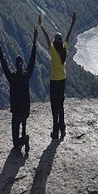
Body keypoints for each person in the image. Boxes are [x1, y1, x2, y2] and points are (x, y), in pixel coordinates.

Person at [0, 26, 37, 152]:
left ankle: (24, 139)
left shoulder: (12, 77)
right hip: (25, 111)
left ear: (15, 64)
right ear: (22, 64)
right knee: (23, 123)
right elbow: (32, 62)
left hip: (16, 112)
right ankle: (24, 137)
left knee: (15, 144)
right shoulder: (26, 75)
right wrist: (35, 42)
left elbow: (4, 65)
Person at [38, 10, 76, 140]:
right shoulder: (64, 49)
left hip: (54, 81)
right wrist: (72, 23)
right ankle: (62, 128)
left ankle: (55, 132)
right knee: (61, 105)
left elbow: (47, 38)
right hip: (62, 80)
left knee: (54, 107)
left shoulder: (53, 50)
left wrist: (41, 25)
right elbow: (68, 36)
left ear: (55, 41)